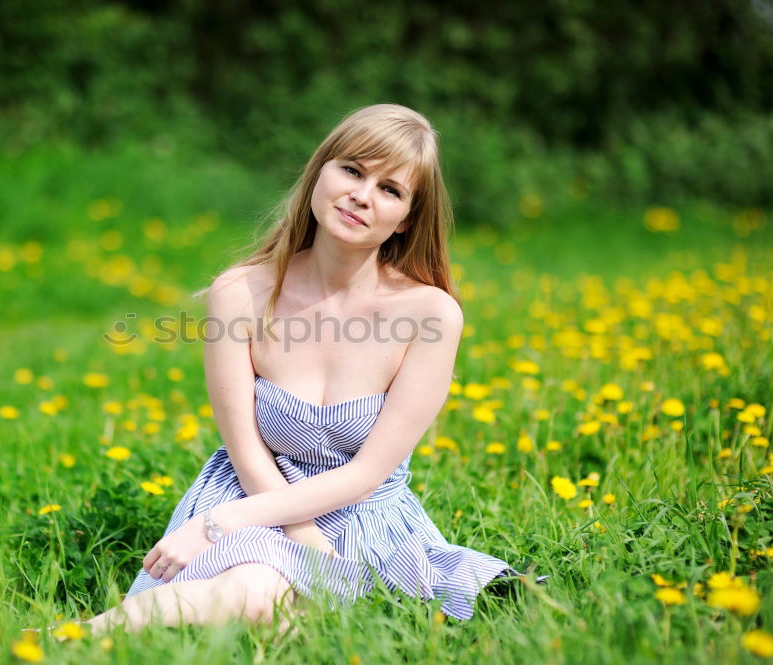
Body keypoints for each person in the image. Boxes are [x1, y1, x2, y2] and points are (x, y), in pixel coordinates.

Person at [86, 103, 537, 635]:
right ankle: (67, 639)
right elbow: (244, 448)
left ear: (407, 218)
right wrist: (285, 531)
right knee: (258, 591)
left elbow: (367, 475)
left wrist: (222, 526)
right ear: (319, 171)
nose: (362, 195)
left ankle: (71, 638)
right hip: (251, 492)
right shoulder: (241, 293)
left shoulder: (430, 315)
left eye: (390, 189)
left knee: (274, 613)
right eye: (352, 170)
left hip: (362, 517)